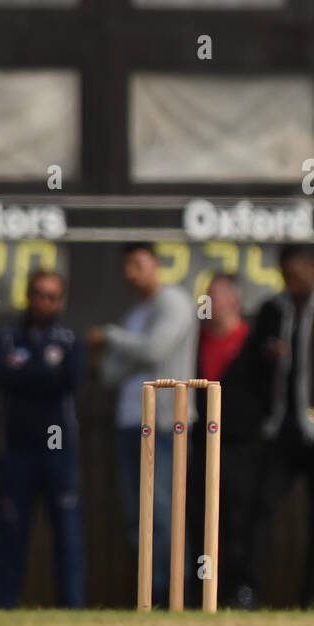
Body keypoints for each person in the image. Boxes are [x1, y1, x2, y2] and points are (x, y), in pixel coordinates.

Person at [243, 245, 314, 608]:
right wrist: (267, 358)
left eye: (295, 273)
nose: (290, 282)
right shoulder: (271, 311)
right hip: (280, 431)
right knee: (259, 509)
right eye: (285, 275)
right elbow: (250, 366)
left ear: (312, 268)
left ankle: (312, 598)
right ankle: (248, 591)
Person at [88, 242, 197, 607]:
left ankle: (173, 596)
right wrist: (125, 347)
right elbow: (108, 373)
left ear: (156, 264)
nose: (131, 273)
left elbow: (154, 351)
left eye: (138, 264)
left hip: (166, 423)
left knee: (164, 510)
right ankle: (149, 594)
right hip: (129, 423)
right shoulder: (134, 314)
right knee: (138, 513)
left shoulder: (174, 303)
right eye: (126, 267)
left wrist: (111, 337)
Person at [0, 269, 86, 609]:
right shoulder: (6, 338)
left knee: (68, 535)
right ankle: (2, 607)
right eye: (38, 294)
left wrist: (27, 374)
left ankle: (73, 609)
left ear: (60, 301)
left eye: (51, 296)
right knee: (12, 533)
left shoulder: (70, 340)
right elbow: (1, 375)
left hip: (59, 451)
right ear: (27, 295)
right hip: (17, 450)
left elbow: (69, 380)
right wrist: (45, 374)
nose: (44, 301)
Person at [188, 274, 262, 608]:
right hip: (202, 444)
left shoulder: (253, 343)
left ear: (235, 301)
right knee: (199, 518)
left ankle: (241, 590)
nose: (208, 303)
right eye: (205, 297)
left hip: (241, 447)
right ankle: (201, 592)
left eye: (214, 297)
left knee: (238, 520)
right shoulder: (194, 343)